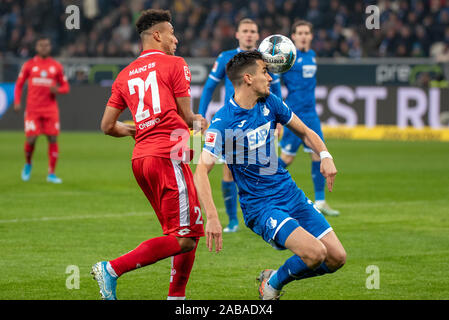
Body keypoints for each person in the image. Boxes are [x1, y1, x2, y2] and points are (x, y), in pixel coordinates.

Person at [91, 9, 222, 300]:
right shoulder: (175, 64)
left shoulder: (124, 75)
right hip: (168, 156)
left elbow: (106, 126)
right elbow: (187, 117)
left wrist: (133, 131)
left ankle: (176, 297)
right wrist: (201, 121)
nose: (176, 39)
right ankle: (111, 269)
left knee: (188, 231)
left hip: (142, 161)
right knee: (184, 237)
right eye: (172, 33)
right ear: (157, 35)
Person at [194, 51, 346, 300]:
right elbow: (200, 171)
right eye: (265, 71)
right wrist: (211, 217)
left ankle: (272, 278)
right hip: (261, 206)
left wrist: (325, 155)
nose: (271, 78)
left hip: (290, 194)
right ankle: (272, 287)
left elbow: (305, 131)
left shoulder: (270, 102)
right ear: (248, 78)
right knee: (315, 253)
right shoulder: (223, 122)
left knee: (337, 258)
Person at [198, 18, 282, 233]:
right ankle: (233, 221)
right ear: (237, 34)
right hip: (233, 122)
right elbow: (209, 87)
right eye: (245, 31)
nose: (249, 34)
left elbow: (276, 89)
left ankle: (267, 211)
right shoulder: (226, 58)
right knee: (229, 170)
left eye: (253, 31)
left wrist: (279, 117)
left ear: (258, 35)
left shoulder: (264, 61)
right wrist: (201, 114)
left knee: (263, 167)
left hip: (261, 119)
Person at [279, 20, 340, 216]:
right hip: (293, 115)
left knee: (318, 154)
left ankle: (321, 201)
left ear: (311, 36)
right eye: (300, 33)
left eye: (307, 32)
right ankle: (264, 189)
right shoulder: (288, 58)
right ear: (293, 37)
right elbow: (276, 84)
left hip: (311, 115)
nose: (304, 36)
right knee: (286, 158)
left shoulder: (312, 56)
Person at [14, 36, 70, 184]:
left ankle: (51, 173)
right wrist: (17, 102)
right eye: (41, 45)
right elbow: (19, 84)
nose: (44, 48)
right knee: (31, 139)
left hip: (50, 110)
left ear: (50, 47)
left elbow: (66, 87)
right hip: (33, 109)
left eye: (46, 45)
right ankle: (28, 163)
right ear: (36, 47)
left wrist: (57, 89)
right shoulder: (29, 65)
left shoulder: (56, 66)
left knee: (52, 138)